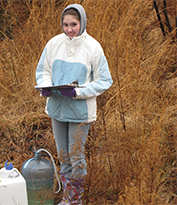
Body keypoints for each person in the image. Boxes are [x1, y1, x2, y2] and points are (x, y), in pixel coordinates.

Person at [35, 4, 113, 204]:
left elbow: (105, 81)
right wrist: (45, 86)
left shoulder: (93, 47)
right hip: (57, 110)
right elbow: (43, 71)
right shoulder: (53, 44)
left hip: (80, 112)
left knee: (76, 156)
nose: (69, 29)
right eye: (65, 24)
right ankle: (67, 198)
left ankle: (75, 200)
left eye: (74, 24)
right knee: (63, 155)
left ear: (82, 23)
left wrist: (77, 92)